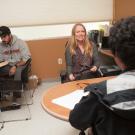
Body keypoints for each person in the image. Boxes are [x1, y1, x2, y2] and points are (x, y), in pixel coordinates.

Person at [69, 16, 135, 135]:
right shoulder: (70, 47)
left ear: (115, 55)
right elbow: (69, 65)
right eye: (77, 31)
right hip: (77, 76)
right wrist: (70, 74)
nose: (80, 34)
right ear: (74, 34)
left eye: (82, 31)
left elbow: (76, 120)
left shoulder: (99, 93)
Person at [0, 26, 31, 101]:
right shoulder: (1, 46)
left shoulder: (20, 43)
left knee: (17, 71)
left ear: (10, 34)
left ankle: (16, 97)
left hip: (20, 64)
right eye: (1, 37)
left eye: (4, 36)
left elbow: (26, 58)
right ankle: (3, 94)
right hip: (7, 65)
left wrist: (15, 66)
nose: (3, 39)